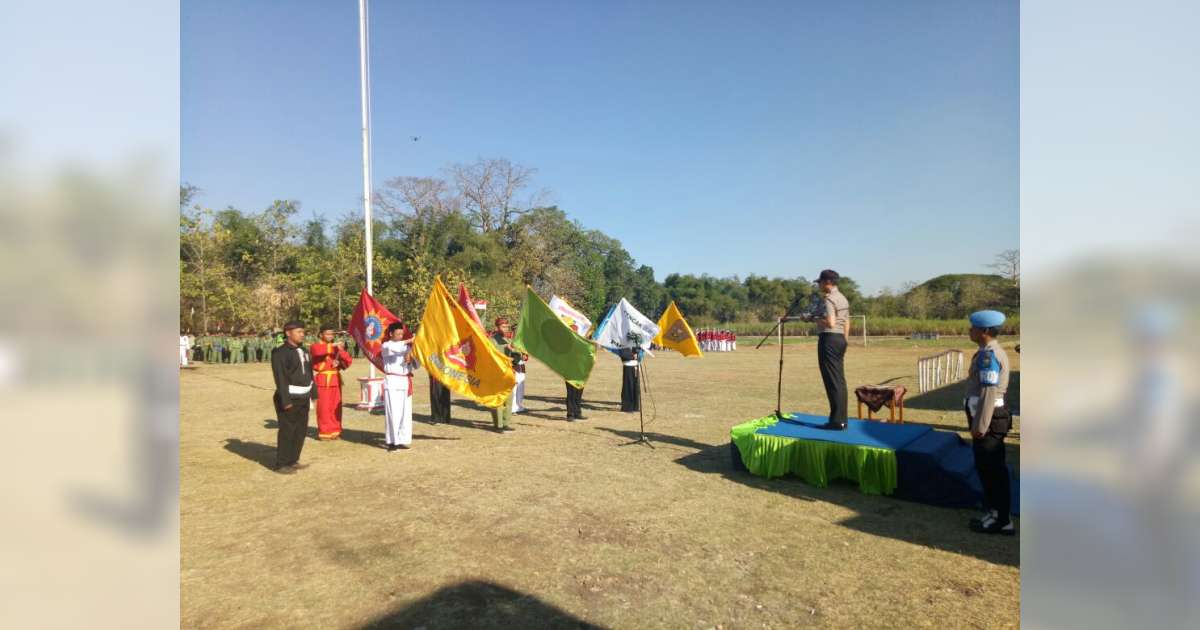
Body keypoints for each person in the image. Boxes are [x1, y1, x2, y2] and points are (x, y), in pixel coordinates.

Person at [965, 310, 1014, 535]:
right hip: (989, 416)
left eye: (973, 327)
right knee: (987, 468)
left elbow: (988, 393)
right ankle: (995, 512)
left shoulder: (988, 355)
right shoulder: (985, 351)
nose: (969, 330)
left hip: (989, 418)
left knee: (992, 469)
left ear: (984, 331)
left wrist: (980, 425)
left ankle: (1002, 520)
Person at [805, 269, 850, 430]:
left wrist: (813, 318)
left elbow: (830, 322)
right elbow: (846, 321)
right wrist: (845, 340)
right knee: (839, 380)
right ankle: (842, 418)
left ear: (827, 283)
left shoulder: (829, 299)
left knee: (832, 381)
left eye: (820, 283)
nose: (819, 286)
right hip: (840, 340)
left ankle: (836, 421)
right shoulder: (843, 298)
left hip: (829, 338)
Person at [270, 321, 316, 474]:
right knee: (287, 430)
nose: (302, 334)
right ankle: (281, 464)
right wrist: (286, 400)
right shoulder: (280, 352)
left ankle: (293, 459)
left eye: (303, 331)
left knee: (300, 430)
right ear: (288, 333)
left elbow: (310, 373)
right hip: (289, 398)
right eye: (298, 331)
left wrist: (313, 393)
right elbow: (280, 378)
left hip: (304, 397)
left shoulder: (304, 351)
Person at [311, 325, 353, 440]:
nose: (330, 336)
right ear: (321, 335)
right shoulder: (316, 346)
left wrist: (339, 361)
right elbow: (317, 351)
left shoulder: (336, 347)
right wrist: (334, 346)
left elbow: (348, 361)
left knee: (336, 407)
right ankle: (324, 432)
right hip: (323, 380)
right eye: (328, 334)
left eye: (332, 334)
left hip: (335, 379)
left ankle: (335, 431)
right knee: (324, 408)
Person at [380, 321, 417, 451]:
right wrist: (409, 341)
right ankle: (392, 441)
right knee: (393, 413)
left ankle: (402, 439)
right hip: (393, 381)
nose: (400, 336)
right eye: (398, 334)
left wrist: (411, 358)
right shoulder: (386, 345)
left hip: (405, 381)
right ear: (391, 334)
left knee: (405, 414)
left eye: (402, 334)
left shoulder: (407, 347)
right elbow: (394, 350)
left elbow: (416, 365)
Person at [489, 317, 519, 432]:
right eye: (503, 326)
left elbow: (517, 357)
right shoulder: (492, 341)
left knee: (509, 399)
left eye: (507, 326)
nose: (506, 328)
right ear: (497, 328)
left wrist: (514, 353)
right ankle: (498, 425)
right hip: (497, 374)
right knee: (498, 401)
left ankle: (506, 423)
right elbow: (491, 357)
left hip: (509, 374)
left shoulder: (509, 340)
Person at [618, 346, 641, 412]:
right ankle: (627, 407)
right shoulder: (623, 343)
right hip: (628, 366)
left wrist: (638, 355)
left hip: (635, 365)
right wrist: (633, 356)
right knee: (628, 386)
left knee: (636, 387)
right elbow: (623, 354)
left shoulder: (635, 342)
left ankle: (635, 406)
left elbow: (639, 352)